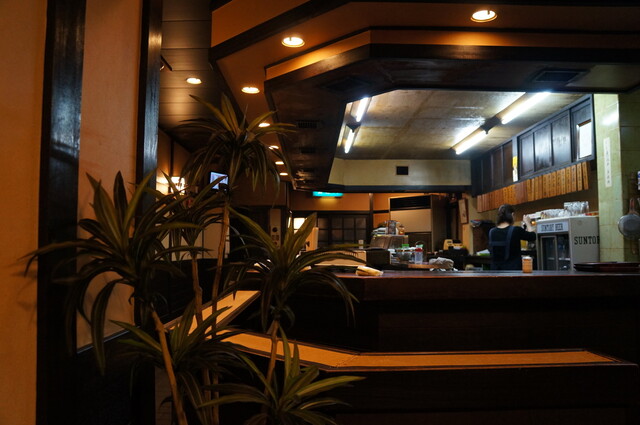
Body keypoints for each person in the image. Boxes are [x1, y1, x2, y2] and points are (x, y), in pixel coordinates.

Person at [488, 204, 536, 270]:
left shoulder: (491, 232)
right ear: (512, 215)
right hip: (513, 272)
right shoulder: (515, 230)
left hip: (496, 272)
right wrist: (528, 223)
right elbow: (533, 236)